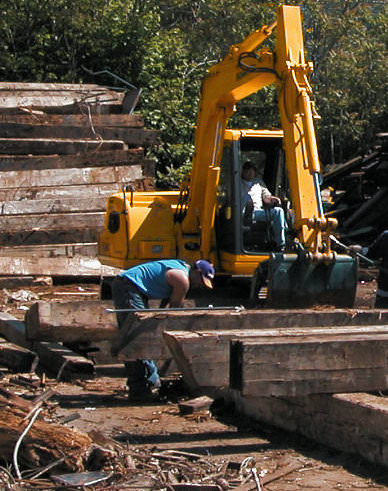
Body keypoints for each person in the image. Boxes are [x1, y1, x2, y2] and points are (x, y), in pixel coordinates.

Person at [111, 258, 215, 400]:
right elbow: (174, 312)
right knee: (137, 337)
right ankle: (140, 388)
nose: (199, 285)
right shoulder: (182, 280)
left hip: (132, 287)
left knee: (143, 334)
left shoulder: (179, 270)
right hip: (128, 286)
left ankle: (151, 381)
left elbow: (165, 310)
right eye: (200, 280)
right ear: (196, 272)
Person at [240, 160, 287, 252]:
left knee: (278, 211)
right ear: (243, 171)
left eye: (252, 170)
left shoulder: (259, 183)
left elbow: (266, 197)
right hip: (241, 213)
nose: (250, 172)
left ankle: (281, 244)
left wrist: (274, 199)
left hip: (257, 212)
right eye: (247, 170)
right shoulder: (237, 183)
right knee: (247, 201)